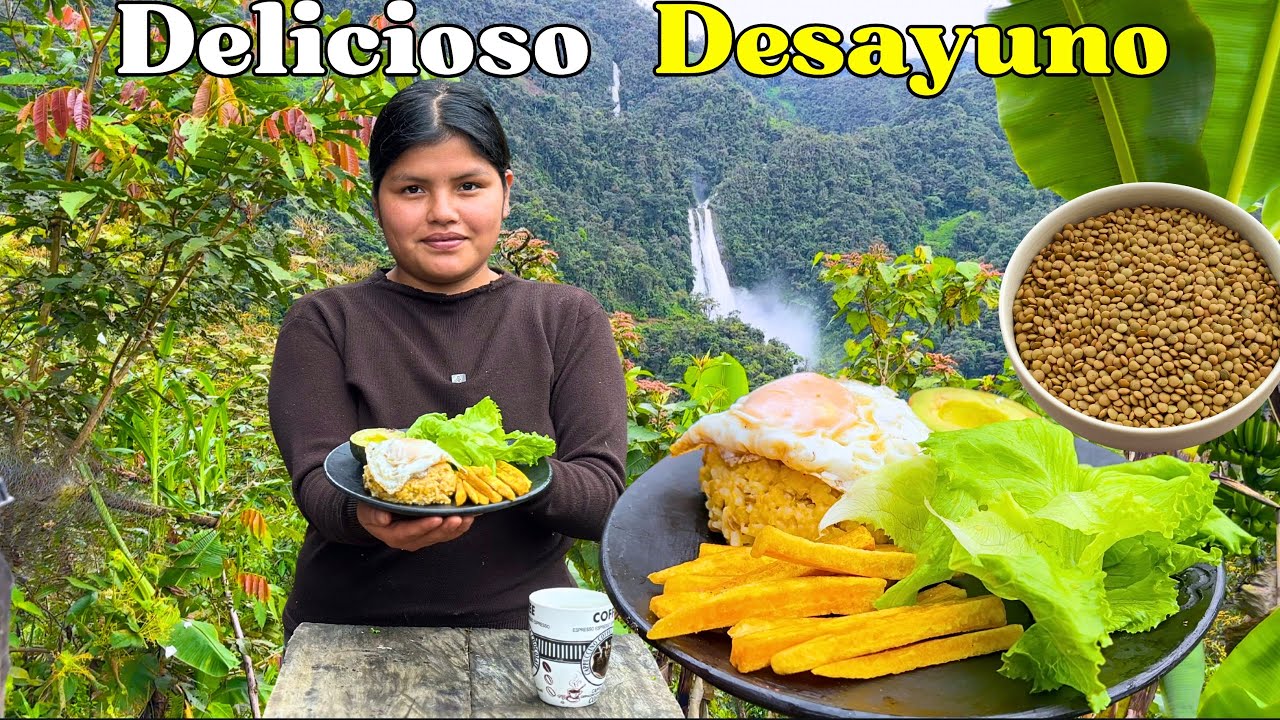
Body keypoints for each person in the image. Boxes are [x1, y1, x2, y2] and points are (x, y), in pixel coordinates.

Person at [267, 81, 628, 639]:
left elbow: (601, 496)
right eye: (411, 189)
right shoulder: (324, 323)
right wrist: (367, 516)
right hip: (345, 633)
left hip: (527, 635)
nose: (442, 213)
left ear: (505, 192)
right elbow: (317, 483)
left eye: (469, 186)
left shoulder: (565, 318)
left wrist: (496, 474)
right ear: (377, 198)